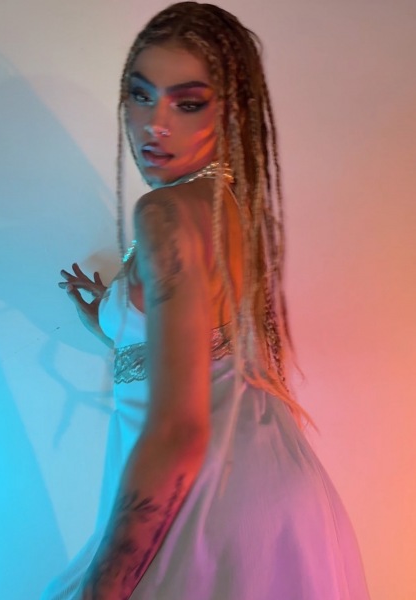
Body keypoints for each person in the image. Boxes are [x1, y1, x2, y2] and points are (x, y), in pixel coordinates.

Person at [45, 2, 371, 599]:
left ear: (231, 111)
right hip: (266, 494)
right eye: (140, 95)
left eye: (187, 103)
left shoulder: (165, 213)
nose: (154, 124)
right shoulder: (229, 204)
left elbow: (178, 430)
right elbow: (201, 351)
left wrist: (103, 588)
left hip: (207, 505)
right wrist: (109, 319)